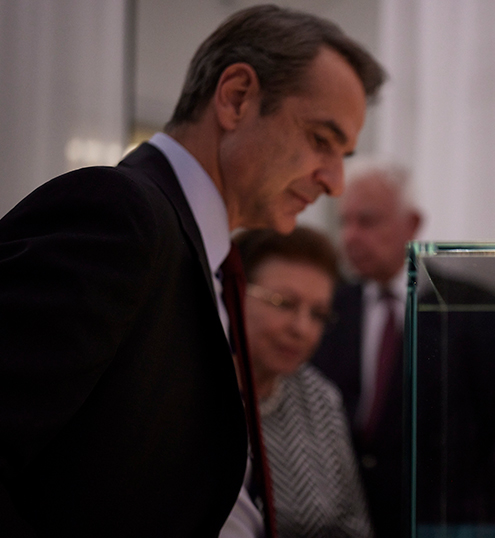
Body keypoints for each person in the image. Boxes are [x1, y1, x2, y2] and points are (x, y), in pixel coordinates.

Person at [0, 5, 385, 537]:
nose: (335, 183)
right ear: (236, 98)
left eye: (344, 154)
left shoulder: (209, 261)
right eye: (321, 140)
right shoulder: (120, 212)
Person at [311, 161, 495, 537]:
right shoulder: (328, 307)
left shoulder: (473, 309)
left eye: (367, 221)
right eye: (344, 222)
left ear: (411, 224)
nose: (350, 237)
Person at [235, 227, 372, 538]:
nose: (302, 329)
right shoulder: (186, 394)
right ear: (233, 294)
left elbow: (353, 525)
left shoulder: (318, 396)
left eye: (318, 314)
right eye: (284, 303)